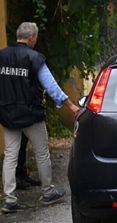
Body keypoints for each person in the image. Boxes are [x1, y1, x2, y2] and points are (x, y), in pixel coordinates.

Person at [0, 22, 80, 213]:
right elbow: (50, 85)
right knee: (41, 153)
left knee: (10, 155)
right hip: (31, 115)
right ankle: (47, 192)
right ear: (32, 38)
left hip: (8, 114)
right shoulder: (34, 58)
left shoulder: (1, 56)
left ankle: (9, 200)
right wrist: (70, 106)